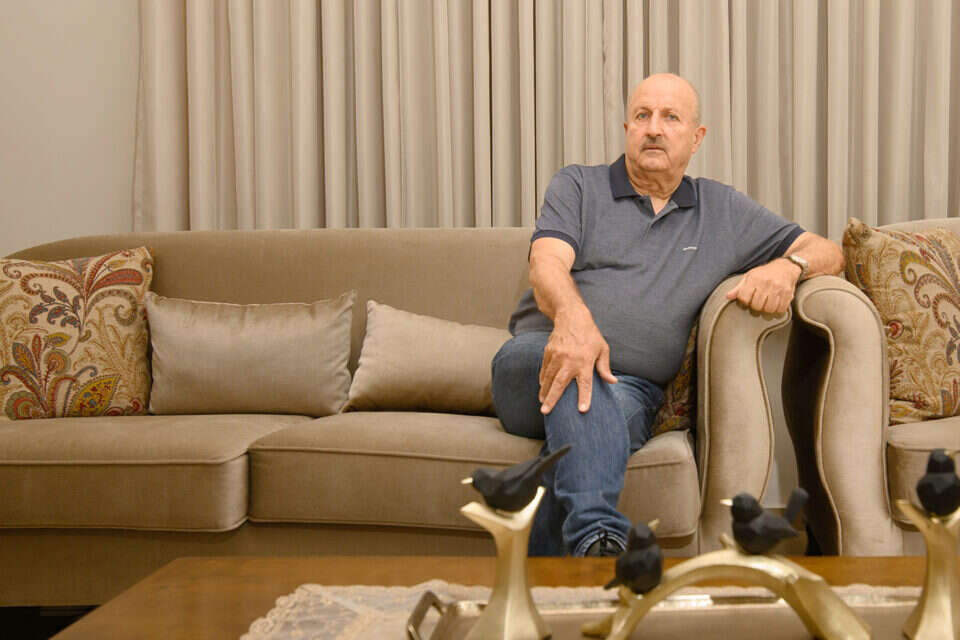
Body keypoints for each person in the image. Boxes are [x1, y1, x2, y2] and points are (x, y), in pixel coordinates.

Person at [490, 73, 844, 557]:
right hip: (537, 361)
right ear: (627, 129)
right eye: (642, 116)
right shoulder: (578, 185)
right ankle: (597, 533)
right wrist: (574, 322)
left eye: (670, 117)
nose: (654, 128)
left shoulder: (721, 211)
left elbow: (828, 251)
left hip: (631, 390)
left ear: (697, 138)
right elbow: (546, 263)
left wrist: (789, 266)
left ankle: (562, 575)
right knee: (580, 370)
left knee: (595, 419)